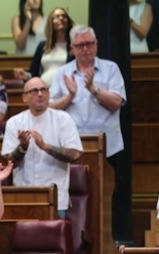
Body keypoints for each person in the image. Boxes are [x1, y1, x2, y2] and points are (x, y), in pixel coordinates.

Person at [1, 76, 82, 218]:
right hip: (23, 197)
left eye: (43, 90)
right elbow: (9, 162)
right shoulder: (14, 122)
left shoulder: (63, 119)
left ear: (49, 94)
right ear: (24, 97)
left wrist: (46, 147)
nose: (40, 94)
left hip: (56, 199)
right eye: (34, 91)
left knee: (54, 239)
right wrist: (23, 147)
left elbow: (75, 155)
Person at [49, 25, 126, 165]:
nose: (85, 49)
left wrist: (93, 88)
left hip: (107, 146)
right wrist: (69, 96)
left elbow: (116, 103)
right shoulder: (63, 73)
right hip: (71, 144)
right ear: (72, 48)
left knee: (108, 186)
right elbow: (49, 109)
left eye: (89, 44)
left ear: (96, 45)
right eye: (80, 45)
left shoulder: (111, 69)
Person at [14, 6, 75, 86]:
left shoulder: (73, 46)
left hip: (65, 90)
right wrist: (25, 75)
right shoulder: (43, 46)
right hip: (43, 91)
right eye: (57, 17)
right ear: (51, 22)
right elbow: (33, 73)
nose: (61, 18)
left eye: (64, 16)